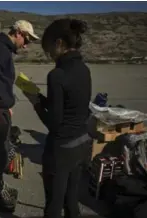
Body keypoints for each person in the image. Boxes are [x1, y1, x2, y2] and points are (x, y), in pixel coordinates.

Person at [32, 18, 92, 218]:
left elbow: (55, 124)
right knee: (71, 200)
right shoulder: (84, 70)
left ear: (58, 43)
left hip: (61, 150)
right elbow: (71, 105)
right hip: (81, 145)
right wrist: (40, 97)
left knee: (54, 204)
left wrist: (36, 104)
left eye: (48, 49)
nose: (48, 55)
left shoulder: (56, 75)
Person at [0, 20, 39, 212]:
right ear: (18, 33)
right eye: (27, 39)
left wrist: (6, 104)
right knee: (1, 154)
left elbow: (1, 84)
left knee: (3, 150)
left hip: (0, 109)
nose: (27, 44)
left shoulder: (3, 50)